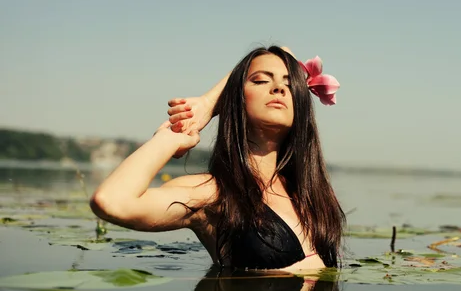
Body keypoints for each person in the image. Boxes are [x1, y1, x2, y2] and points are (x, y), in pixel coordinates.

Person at [90, 45, 346, 271]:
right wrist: (180, 129)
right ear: (235, 99)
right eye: (259, 81)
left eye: (290, 84)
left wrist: (207, 102)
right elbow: (111, 202)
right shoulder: (215, 193)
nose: (279, 87)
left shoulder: (309, 193)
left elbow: (284, 50)